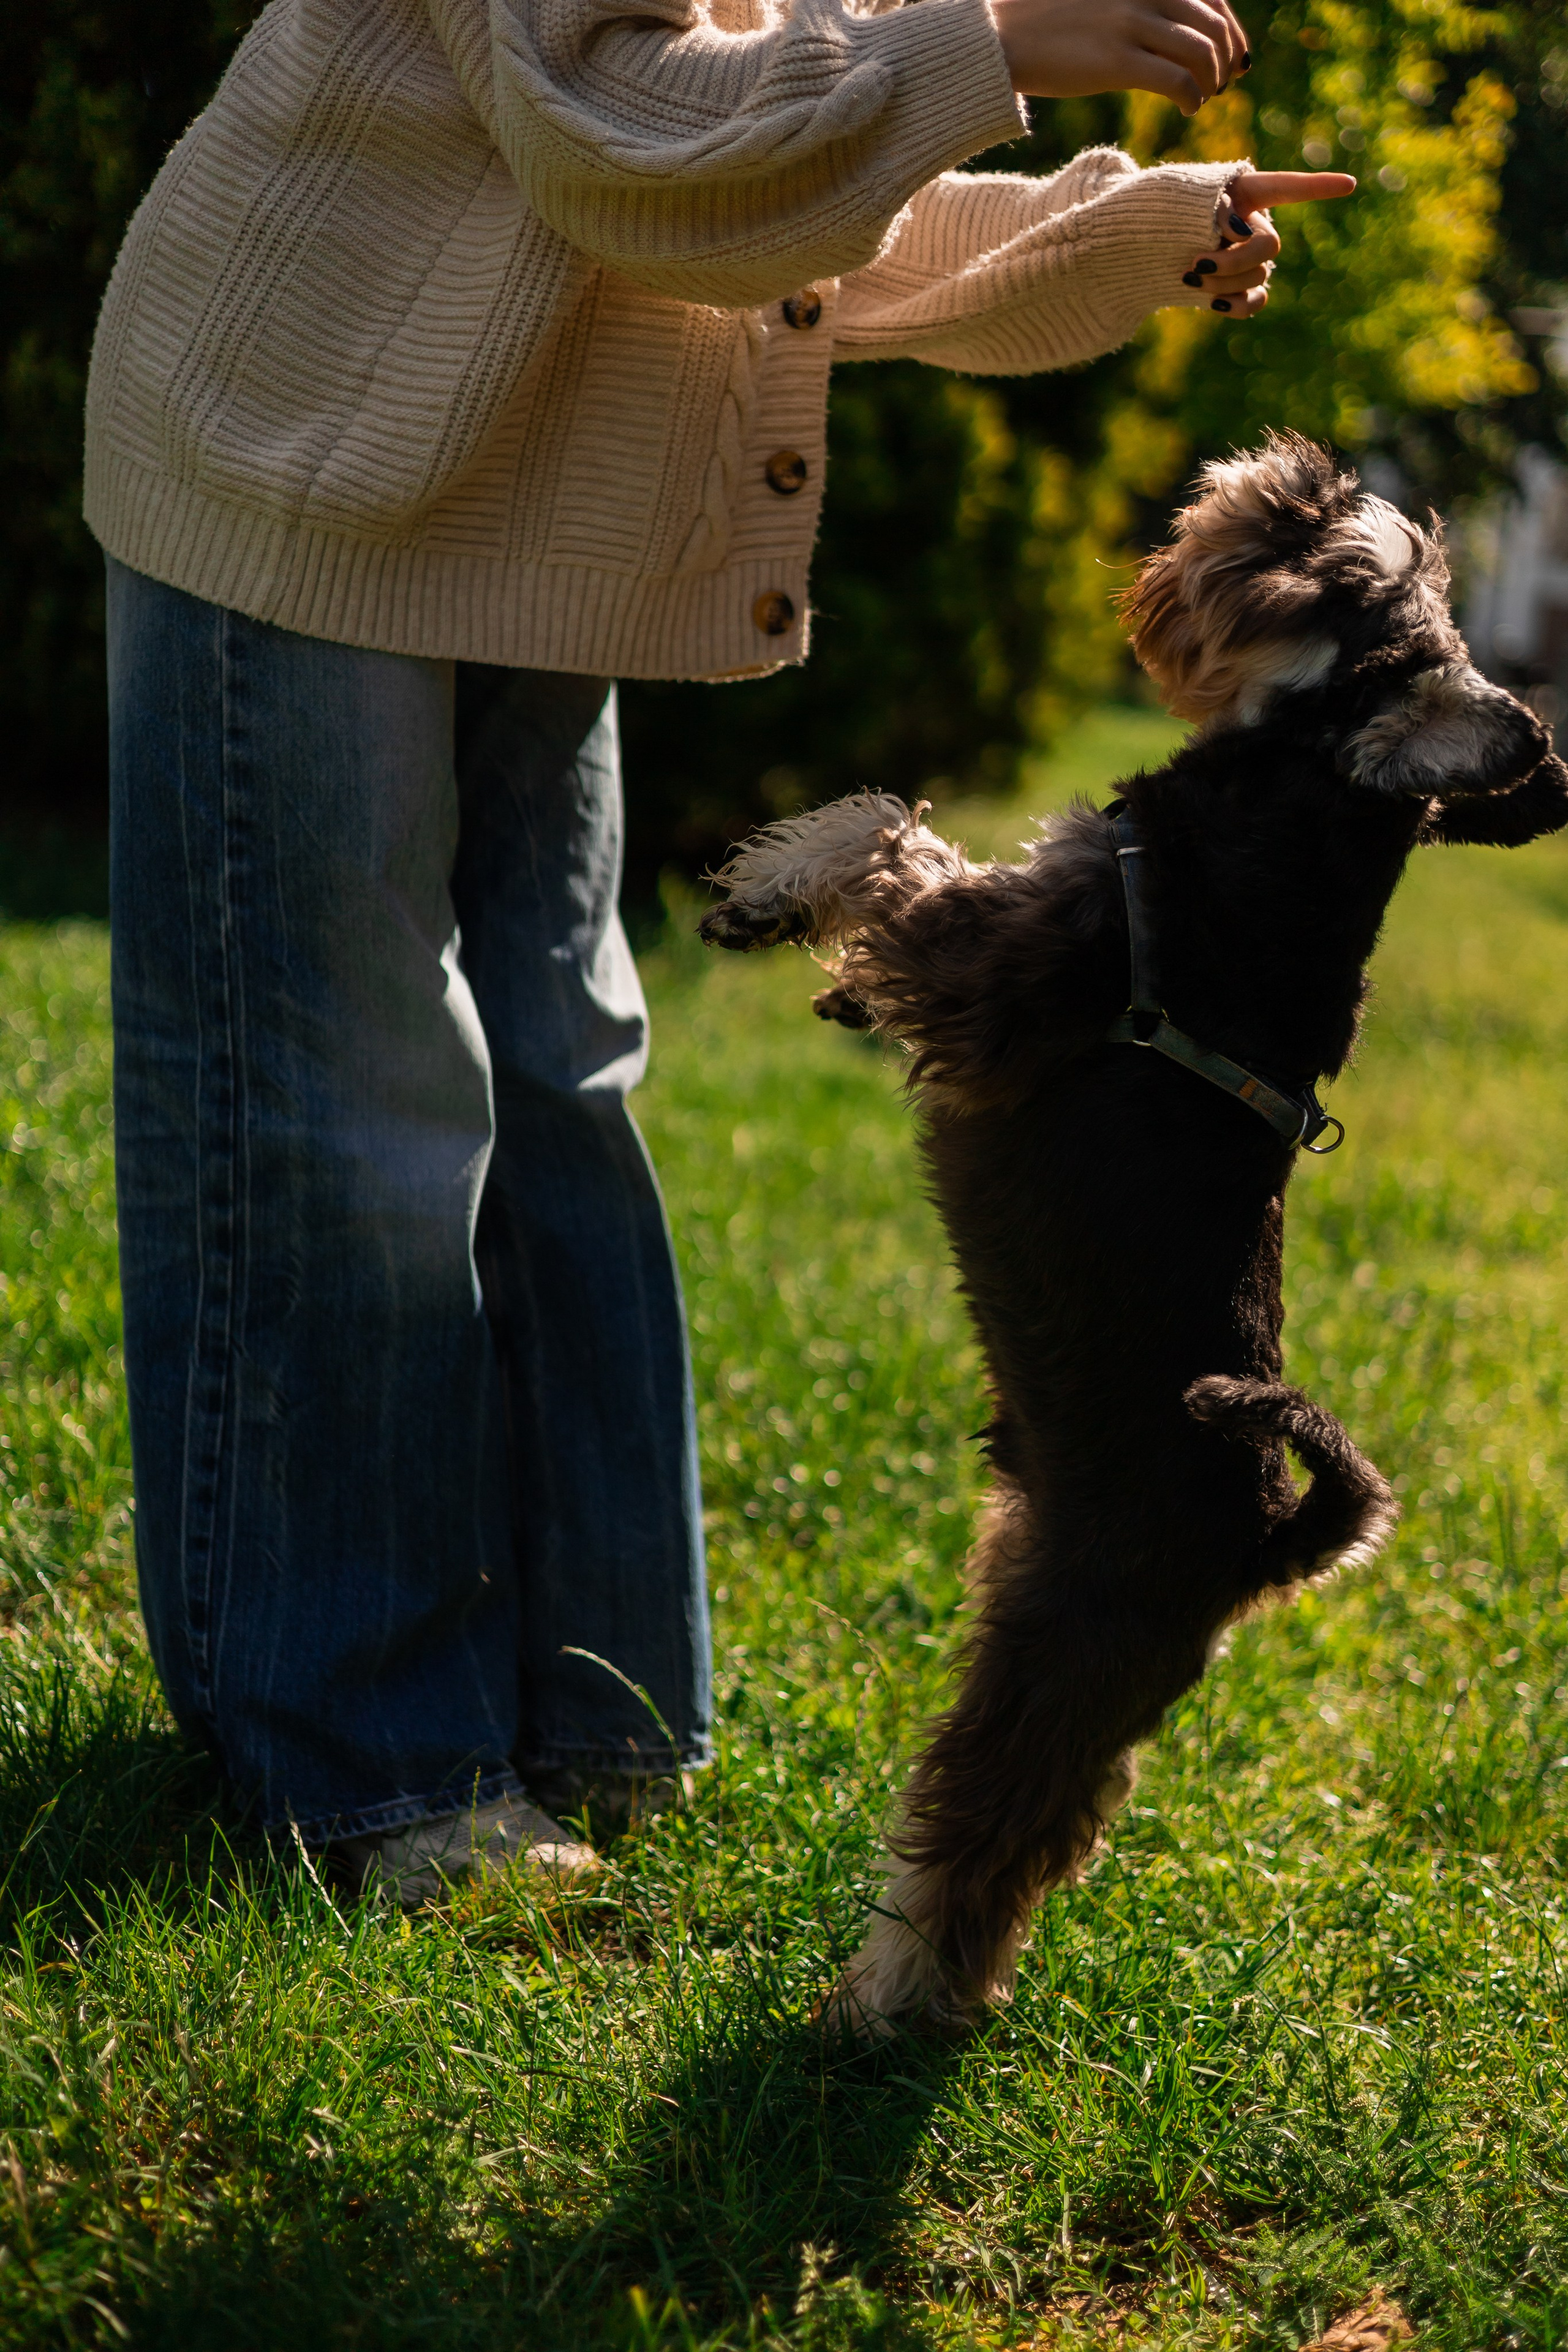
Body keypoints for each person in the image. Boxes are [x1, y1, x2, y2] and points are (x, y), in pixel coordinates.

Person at [83, 0, 1353, 1904]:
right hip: (307, 468)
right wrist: (996, 40)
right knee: (352, 1122)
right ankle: (365, 1768)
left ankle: (593, 1716)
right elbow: (629, 132)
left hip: (513, 508)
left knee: (563, 1084)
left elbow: (782, 207)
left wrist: (1120, 224)